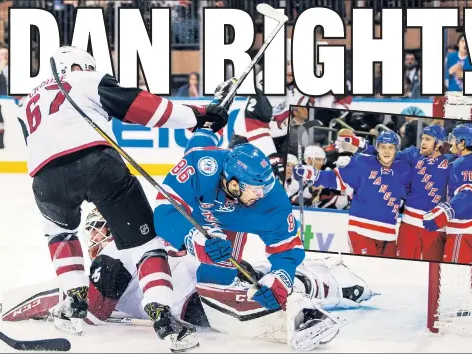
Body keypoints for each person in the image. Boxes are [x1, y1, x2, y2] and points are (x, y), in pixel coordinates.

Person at [16, 46, 228, 337]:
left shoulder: (28, 101)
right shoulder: (83, 79)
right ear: (78, 66)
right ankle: (163, 315)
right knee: (147, 245)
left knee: (58, 232)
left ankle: (74, 301)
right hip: (98, 165)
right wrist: (197, 116)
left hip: (44, 178)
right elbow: (142, 106)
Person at [2, 206, 376, 352]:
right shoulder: (140, 240)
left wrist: (48, 305)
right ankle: (337, 285)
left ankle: (299, 313)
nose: (92, 237)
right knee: (265, 275)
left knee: (246, 309)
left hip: (191, 295)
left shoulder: (111, 257)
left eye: (96, 228)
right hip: (199, 274)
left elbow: (96, 313)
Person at [153, 128, 364, 350]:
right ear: (233, 183)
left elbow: (287, 250)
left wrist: (280, 279)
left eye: (266, 187)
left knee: (214, 283)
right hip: (193, 225)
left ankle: (317, 283)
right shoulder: (202, 164)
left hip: (231, 228)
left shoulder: (272, 202)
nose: (261, 195)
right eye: (255, 189)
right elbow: (164, 213)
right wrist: (193, 239)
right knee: (166, 263)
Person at [294, 130, 411, 257]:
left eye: (391, 147)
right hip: (361, 231)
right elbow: (336, 178)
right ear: (377, 148)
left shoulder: (403, 170)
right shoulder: (363, 163)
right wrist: (312, 174)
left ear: (396, 150)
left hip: (389, 235)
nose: (387, 151)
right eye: (383, 147)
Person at [350, 125, 454, 261]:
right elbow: (386, 154)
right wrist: (363, 146)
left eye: (428, 139)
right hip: (409, 225)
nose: (422, 142)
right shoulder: (413, 154)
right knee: (402, 267)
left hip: (436, 227)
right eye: (422, 138)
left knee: (431, 271)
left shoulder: (451, 162)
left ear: (439, 143)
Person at [423, 123, 472, 264]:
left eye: (454, 138)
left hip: (464, 230)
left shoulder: (461, 164)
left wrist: (442, 215)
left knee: (453, 273)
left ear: (463, 142)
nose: (451, 141)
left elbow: (468, 193)